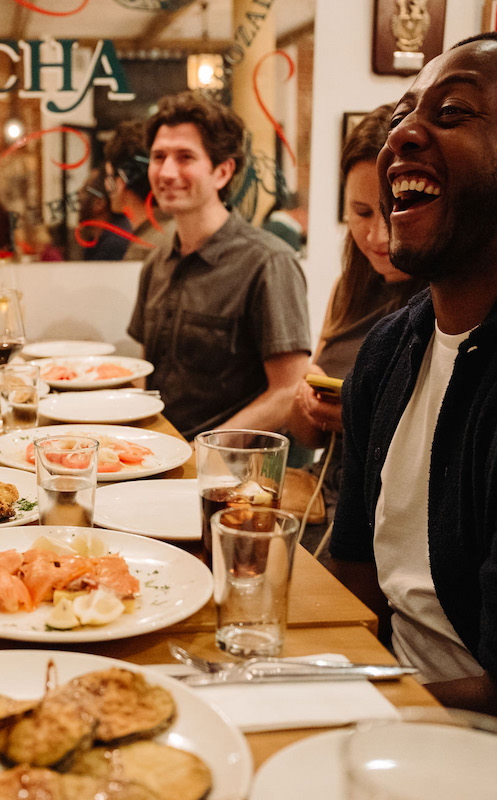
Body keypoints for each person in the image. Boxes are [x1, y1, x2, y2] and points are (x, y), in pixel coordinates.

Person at [330, 32, 497, 765]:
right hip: (390, 713)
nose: (403, 133)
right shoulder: (390, 346)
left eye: (451, 113)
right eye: (406, 109)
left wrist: (332, 705)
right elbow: (356, 578)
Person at [127, 92, 311, 439]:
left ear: (223, 171)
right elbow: (144, 371)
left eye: (185, 157)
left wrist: (207, 450)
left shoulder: (269, 263)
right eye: (158, 156)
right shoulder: (157, 260)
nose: (167, 171)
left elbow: (289, 391)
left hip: (230, 474)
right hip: (157, 453)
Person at [287, 106, 423, 548]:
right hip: (324, 503)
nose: (378, 237)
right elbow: (308, 437)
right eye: (361, 213)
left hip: (391, 523)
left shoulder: (446, 300)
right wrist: (305, 402)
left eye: (393, 210)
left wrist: (356, 417)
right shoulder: (349, 288)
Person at [102, 119, 174, 260]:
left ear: (120, 182)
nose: (106, 185)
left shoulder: (142, 251)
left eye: (109, 177)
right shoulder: (182, 234)